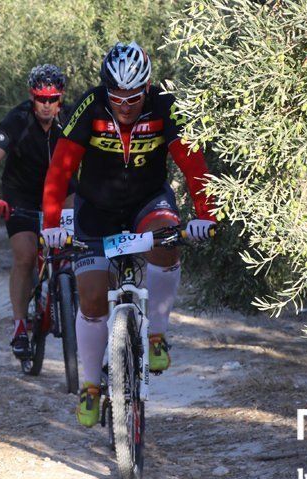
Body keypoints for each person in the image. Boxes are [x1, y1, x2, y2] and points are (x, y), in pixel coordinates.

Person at [40, 42, 216, 427]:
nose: (124, 105)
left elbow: (193, 163)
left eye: (134, 97)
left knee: (167, 242)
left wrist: (205, 214)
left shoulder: (165, 106)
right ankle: (90, 385)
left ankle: (156, 335)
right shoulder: (91, 106)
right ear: (106, 89)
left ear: (148, 87)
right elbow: (60, 170)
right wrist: (52, 224)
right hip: (96, 210)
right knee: (90, 300)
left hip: (147, 202)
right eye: (116, 96)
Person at [0, 64, 75, 358]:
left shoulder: (71, 118)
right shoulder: (17, 120)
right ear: (32, 97)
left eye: (53, 99)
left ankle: (73, 300)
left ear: (61, 98)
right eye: (40, 99)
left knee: (73, 251)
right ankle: (20, 325)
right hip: (22, 197)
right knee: (25, 255)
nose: (47, 106)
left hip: (63, 193)